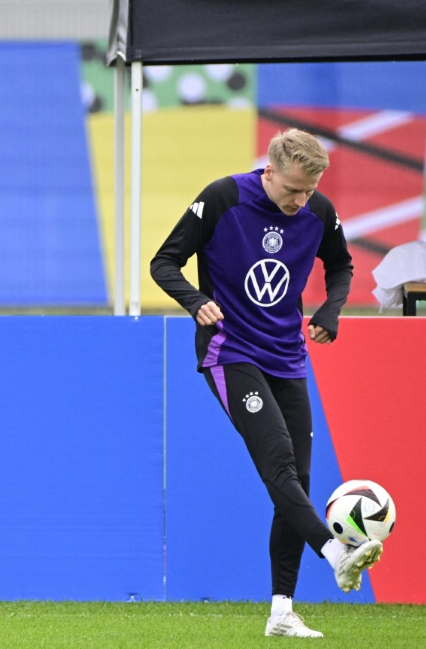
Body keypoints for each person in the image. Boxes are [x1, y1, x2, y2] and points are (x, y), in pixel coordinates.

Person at [150, 128, 383, 639]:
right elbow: (163, 262)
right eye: (292, 190)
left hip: (287, 357)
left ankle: (282, 611)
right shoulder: (223, 197)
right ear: (269, 170)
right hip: (229, 352)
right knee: (277, 461)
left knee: (294, 480)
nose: (301, 202)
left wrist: (332, 309)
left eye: (309, 190)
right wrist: (195, 302)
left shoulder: (318, 210)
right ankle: (336, 553)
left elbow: (341, 264)